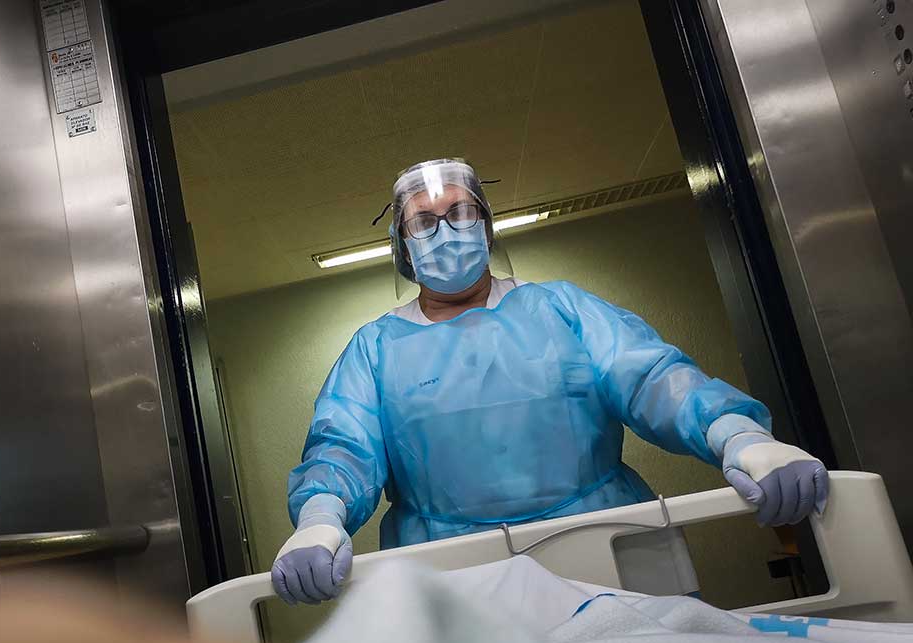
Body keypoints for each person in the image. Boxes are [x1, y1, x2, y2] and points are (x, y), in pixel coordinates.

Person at [270, 158, 829, 606]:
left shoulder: (561, 308)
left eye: (461, 212)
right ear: (403, 248)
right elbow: (343, 446)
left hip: (608, 546)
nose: (445, 230)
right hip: (457, 574)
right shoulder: (375, 348)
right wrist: (321, 518)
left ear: (487, 229)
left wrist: (740, 437)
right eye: (423, 221)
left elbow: (651, 378)